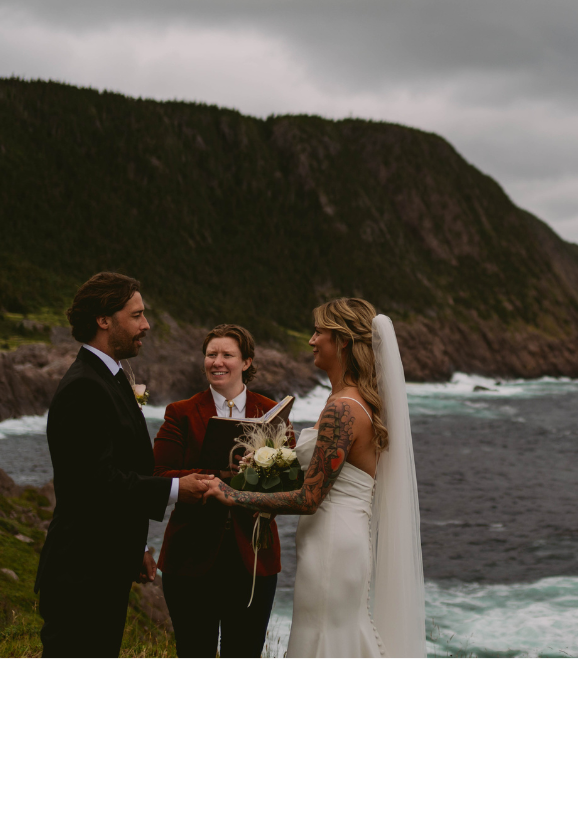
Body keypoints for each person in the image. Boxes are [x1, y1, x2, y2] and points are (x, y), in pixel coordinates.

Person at [216, 298, 426, 658]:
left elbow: (309, 498)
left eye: (318, 332)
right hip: (342, 538)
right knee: (335, 634)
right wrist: (268, 466)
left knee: (324, 639)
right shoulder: (350, 399)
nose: (311, 340)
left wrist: (234, 495)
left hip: (332, 542)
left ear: (342, 341)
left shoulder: (343, 408)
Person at [35, 272, 223, 659]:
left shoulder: (111, 377)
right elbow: (97, 483)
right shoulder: (85, 387)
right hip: (81, 574)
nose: (146, 325)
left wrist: (136, 545)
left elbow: (120, 469)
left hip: (104, 565)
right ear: (104, 319)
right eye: (136, 315)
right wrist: (176, 490)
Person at [152, 324, 288, 659]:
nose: (217, 361)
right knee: (194, 651)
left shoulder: (270, 411)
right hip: (190, 556)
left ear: (246, 362)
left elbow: (287, 481)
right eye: (211, 354)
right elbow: (157, 474)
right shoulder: (180, 412)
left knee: (244, 653)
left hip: (252, 558)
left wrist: (259, 471)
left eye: (227, 354)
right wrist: (217, 476)